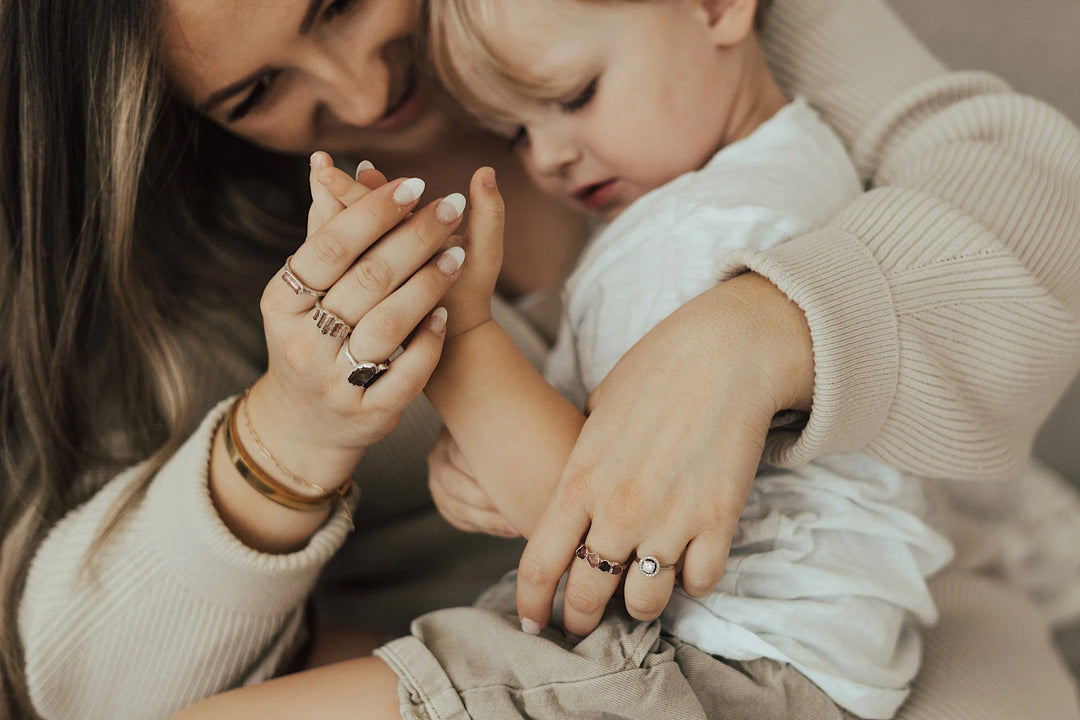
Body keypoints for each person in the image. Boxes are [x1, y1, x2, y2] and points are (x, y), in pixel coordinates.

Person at [3, 0, 1079, 719]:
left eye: (336, 1)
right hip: (511, 644)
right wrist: (294, 429)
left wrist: (756, 337)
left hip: (823, 628)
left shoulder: (666, 26)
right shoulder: (168, 258)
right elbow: (87, 681)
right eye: (255, 95)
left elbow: (1036, 200)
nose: (361, 87)